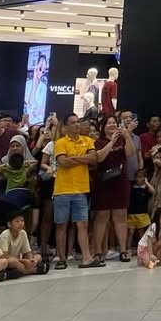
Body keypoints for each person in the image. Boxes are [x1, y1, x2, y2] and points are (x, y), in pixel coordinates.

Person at [52, 112, 115, 269]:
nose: (77, 125)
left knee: (83, 224)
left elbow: (94, 159)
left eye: (78, 122)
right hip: (62, 190)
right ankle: (61, 258)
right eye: (73, 123)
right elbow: (62, 162)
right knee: (61, 225)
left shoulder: (87, 141)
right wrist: (82, 159)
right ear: (65, 127)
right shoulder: (60, 142)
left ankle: (86, 258)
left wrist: (73, 158)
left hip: (81, 189)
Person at [91, 114, 134, 262]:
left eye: (114, 122)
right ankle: (98, 252)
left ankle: (122, 250)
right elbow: (100, 157)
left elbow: (130, 154)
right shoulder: (98, 142)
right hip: (103, 182)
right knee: (102, 216)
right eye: (108, 123)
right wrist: (112, 142)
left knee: (120, 216)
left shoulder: (123, 140)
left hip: (120, 182)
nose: (111, 125)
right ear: (102, 127)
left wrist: (127, 137)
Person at [0, 210, 43, 277]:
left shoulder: (23, 233)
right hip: (5, 260)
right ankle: (30, 270)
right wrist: (24, 261)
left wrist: (30, 260)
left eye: (22, 221)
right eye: (17, 221)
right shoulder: (5, 234)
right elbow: (5, 256)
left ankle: (25, 269)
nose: (20, 223)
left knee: (38, 257)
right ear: (9, 224)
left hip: (18, 259)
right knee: (12, 261)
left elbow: (27, 252)